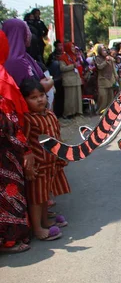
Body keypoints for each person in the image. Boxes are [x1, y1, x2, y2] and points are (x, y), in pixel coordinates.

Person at [21, 78, 70, 241]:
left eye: (41, 95)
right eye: (33, 97)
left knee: (44, 196)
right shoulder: (28, 119)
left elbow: (57, 136)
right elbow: (24, 142)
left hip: (51, 163)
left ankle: (45, 220)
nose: (39, 99)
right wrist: (27, 165)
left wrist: (62, 155)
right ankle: (37, 228)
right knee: (36, 198)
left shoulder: (50, 114)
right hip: (38, 166)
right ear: (24, 100)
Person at [0, 30, 32, 253]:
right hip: (6, 152)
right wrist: (26, 148)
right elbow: (9, 120)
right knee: (8, 192)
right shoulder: (3, 78)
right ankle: (9, 239)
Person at [3, 19, 54, 92]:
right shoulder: (16, 61)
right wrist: (50, 81)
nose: (29, 34)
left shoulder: (23, 55)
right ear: (19, 34)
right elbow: (35, 90)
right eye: (26, 30)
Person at [59, 42, 83, 118]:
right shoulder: (63, 57)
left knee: (77, 97)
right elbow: (62, 68)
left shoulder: (75, 56)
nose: (73, 49)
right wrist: (72, 66)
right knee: (70, 98)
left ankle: (77, 112)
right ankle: (69, 113)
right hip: (69, 80)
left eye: (73, 47)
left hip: (76, 79)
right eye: (71, 47)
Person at [94, 45, 117, 112]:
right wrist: (105, 61)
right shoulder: (97, 58)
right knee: (103, 96)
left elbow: (113, 67)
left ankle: (109, 110)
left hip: (110, 79)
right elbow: (99, 67)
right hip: (103, 79)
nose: (105, 52)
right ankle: (100, 110)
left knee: (111, 96)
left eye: (105, 50)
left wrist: (116, 75)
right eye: (103, 50)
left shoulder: (109, 57)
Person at [46, 41, 65, 117]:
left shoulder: (65, 55)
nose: (60, 47)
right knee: (56, 97)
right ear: (56, 47)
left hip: (64, 79)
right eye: (59, 46)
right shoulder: (52, 56)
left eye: (61, 45)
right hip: (56, 80)